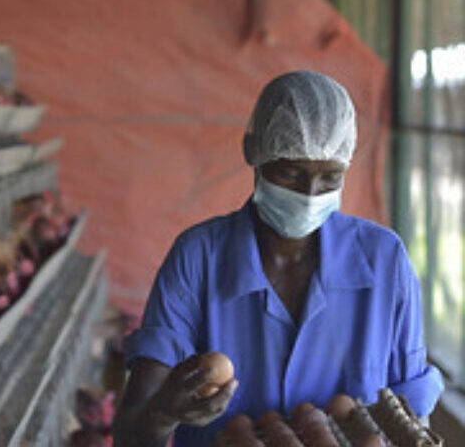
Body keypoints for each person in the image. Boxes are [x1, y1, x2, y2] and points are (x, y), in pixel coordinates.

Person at [112, 71, 444, 447]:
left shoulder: (384, 262)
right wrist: (164, 413)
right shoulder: (198, 259)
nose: (310, 194)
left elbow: (413, 422)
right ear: (254, 153)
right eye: (290, 172)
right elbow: (130, 434)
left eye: (330, 177)